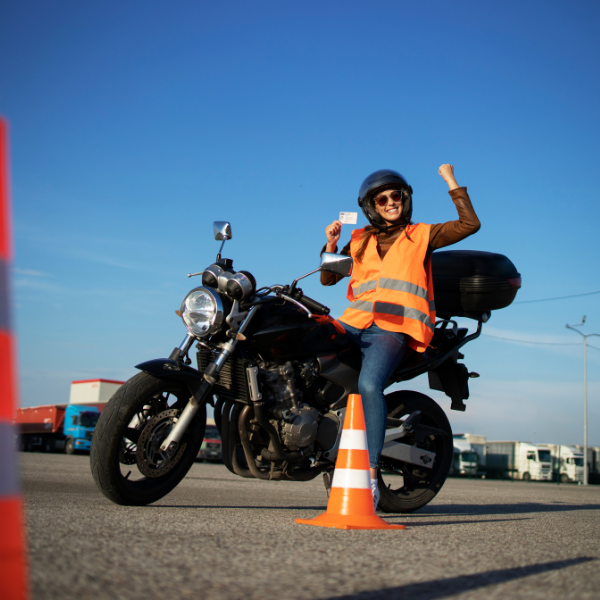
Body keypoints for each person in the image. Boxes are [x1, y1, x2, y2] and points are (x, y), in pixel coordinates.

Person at [322, 165, 480, 508]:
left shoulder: (421, 235)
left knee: (369, 385)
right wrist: (331, 244)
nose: (391, 202)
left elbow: (470, 225)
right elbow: (328, 280)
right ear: (372, 206)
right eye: (383, 198)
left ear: (405, 200)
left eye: (397, 196)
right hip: (354, 323)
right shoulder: (360, 238)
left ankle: (372, 476)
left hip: (394, 328)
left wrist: (450, 181)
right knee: (308, 346)